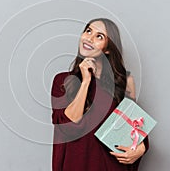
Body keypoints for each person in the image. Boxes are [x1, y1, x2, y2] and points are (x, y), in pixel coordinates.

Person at [51, 18, 149, 171]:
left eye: (99, 36)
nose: (89, 38)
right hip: (75, 165)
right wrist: (86, 82)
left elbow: (132, 126)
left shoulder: (125, 82)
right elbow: (69, 126)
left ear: (108, 49)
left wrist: (142, 147)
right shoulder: (63, 81)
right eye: (88, 31)